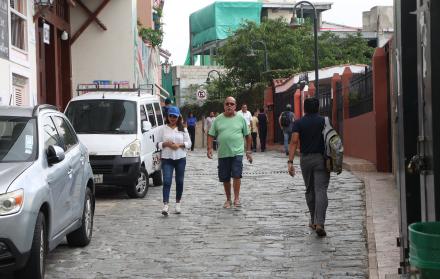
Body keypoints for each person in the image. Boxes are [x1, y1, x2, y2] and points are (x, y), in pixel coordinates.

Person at [287, 97, 330, 237]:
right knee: (321, 190)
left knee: (310, 190)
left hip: (305, 159)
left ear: (304, 108)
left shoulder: (299, 123)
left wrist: (290, 162)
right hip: (321, 159)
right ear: (318, 108)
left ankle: (313, 220)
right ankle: (320, 223)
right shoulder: (325, 121)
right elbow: (332, 139)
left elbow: (294, 142)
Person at [207, 97, 252, 208]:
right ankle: (228, 199)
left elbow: (248, 135)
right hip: (223, 153)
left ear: (235, 106)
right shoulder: (218, 119)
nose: (229, 106)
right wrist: (209, 148)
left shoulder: (241, 118)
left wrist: (249, 151)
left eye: (231, 104)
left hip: (237, 152)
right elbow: (210, 134)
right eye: (227, 104)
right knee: (225, 177)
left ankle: (236, 198)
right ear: (224, 106)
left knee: (237, 175)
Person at [156, 106, 191, 216]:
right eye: (170, 116)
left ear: (178, 117)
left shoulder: (183, 129)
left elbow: (189, 144)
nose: (172, 118)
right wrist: (166, 144)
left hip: (180, 158)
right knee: (167, 181)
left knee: (179, 181)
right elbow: (157, 144)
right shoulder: (162, 129)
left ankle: (178, 202)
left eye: (174, 116)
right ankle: (165, 205)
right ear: (167, 116)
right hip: (167, 158)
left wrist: (179, 145)